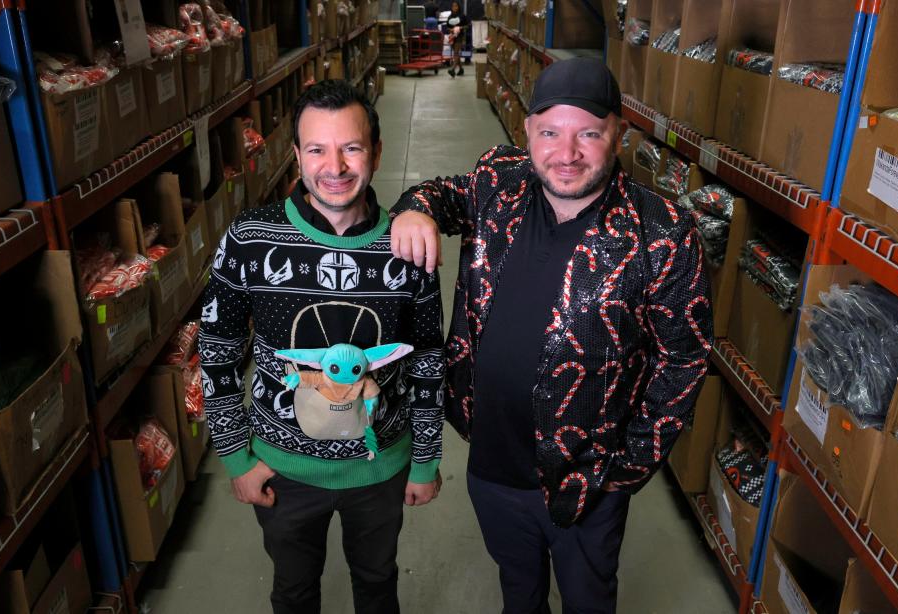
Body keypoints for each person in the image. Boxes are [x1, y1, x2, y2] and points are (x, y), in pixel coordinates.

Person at [389, 57, 713, 613]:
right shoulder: (499, 180)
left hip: (587, 479)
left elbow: (682, 360)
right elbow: (443, 192)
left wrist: (626, 468)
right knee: (519, 591)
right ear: (528, 133)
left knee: (587, 599)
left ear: (619, 134)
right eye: (550, 133)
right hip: (492, 463)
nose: (566, 155)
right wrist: (413, 208)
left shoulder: (661, 234)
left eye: (588, 133)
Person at [199, 79, 445, 614]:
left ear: (376, 152)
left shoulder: (408, 246)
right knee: (293, 592)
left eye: (351, 147)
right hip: (283, 470)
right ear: (296, 155)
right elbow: (215, 351)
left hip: (380, 469)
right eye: (317, 149)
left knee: (378, 586)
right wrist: (237, 457)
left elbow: (428, 362)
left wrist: (424, 462)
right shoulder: (250, 240)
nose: (334, 166)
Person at [443, 1, 469, 77]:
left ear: (458, 7)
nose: (454, 8)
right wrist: (450, 29)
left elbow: (468, 25)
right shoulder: (450, 16)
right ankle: (461, 69)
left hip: (460, 36)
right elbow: (447, 27)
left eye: (456, 6)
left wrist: (460, 27)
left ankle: (453, 70)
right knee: (456, 54)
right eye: (453, 6)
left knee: (456, 53)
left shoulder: (462, 16)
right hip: (452, 37)